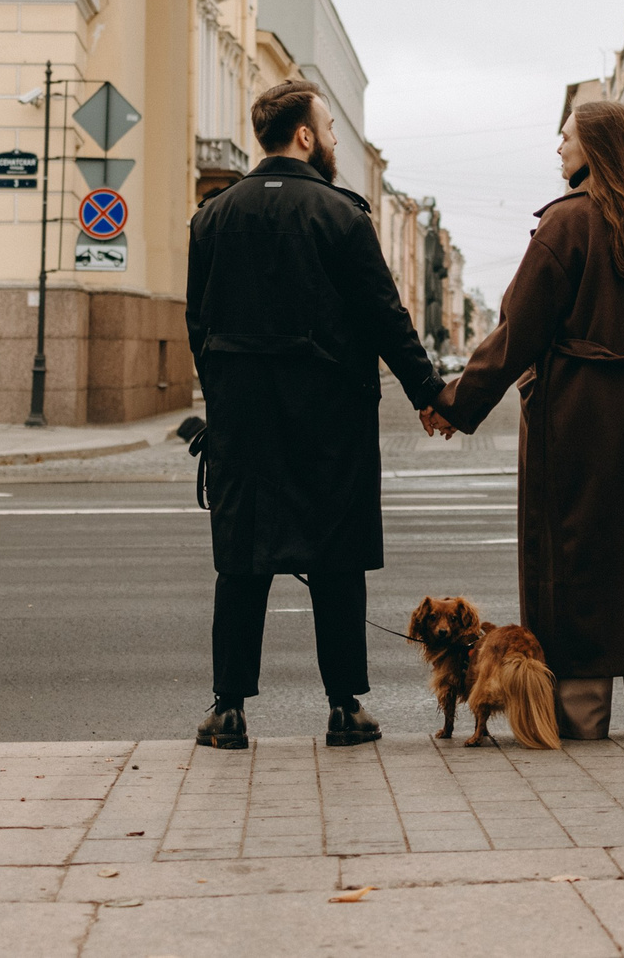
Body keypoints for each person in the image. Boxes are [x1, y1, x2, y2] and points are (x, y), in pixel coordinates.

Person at [430, 100, 624, 740]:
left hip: (578, 422)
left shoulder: (567, 227)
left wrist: (456, 403)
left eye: (565, 138)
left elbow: (517, 333)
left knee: (578, 554)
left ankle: (583, 713)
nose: (558, 149)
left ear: (594, 148)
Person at [185, 77, 447, 750]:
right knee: (336, 560)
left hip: (243, 422)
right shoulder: (342, 215)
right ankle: (345, 708)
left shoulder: (212, 216)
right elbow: (384, 315)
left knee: (241, 561)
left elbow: (198, 323)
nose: (333, 139)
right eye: (329, 128)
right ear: (304, 135)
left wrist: (223, 399)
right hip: (331, 422)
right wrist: (430, 394)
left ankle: (228, 711)